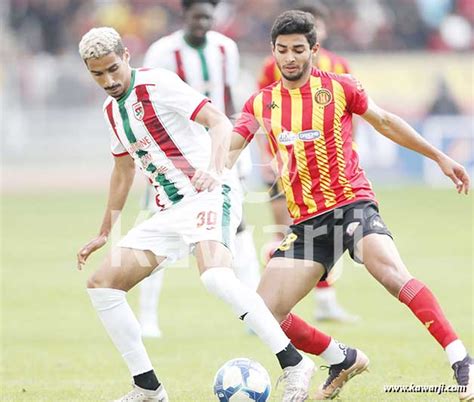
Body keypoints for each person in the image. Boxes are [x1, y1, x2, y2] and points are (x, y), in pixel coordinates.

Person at [228, 11, 473, 400]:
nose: (289, 58)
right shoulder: (262, 102)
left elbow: (386, 122)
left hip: (351, 204)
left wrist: (440, 157)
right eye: (282, 50)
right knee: (264, 312)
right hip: (308, 222)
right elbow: (231, 145)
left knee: (391, 272)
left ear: (314, 50)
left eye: (298, 49)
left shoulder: (340, 87)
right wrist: (207, 176)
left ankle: (462, 359)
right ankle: (340, 358)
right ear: (272, 51)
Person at [77, 26, 315, 402]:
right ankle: (148, 388)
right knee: (103, 285)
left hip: (209, 193)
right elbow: (123, 171)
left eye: (112, 69)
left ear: (126, 55)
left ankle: (295, 363)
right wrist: (105, 231)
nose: (108, 80)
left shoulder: (157, 84)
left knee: (216, 278)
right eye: (97, 74)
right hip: (168, 212)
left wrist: (214, 167)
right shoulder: (111, 112)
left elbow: (220, 122)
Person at [138, 0, 260, 338]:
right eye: (197, 16)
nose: (203, 22)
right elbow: (147, 103)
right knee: (160, 226)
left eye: (209, 16)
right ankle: (147, 319)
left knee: (237, 224)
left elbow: (230, 99)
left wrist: (240, 147)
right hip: (173, 154)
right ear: (184, 16)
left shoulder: (226, 48)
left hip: (219, 147)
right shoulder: (162, 52)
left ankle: (259, 310)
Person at [257, 1, 357, 323]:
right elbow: (261, 113)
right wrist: (266, 155)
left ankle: (322, 301)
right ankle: (269, 303)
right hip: (283, 164)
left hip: (325, 171)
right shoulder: (272, 66)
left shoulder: (339, 66)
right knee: (284, 230)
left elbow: (352, 113)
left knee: (320, 234)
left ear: (321, 32)